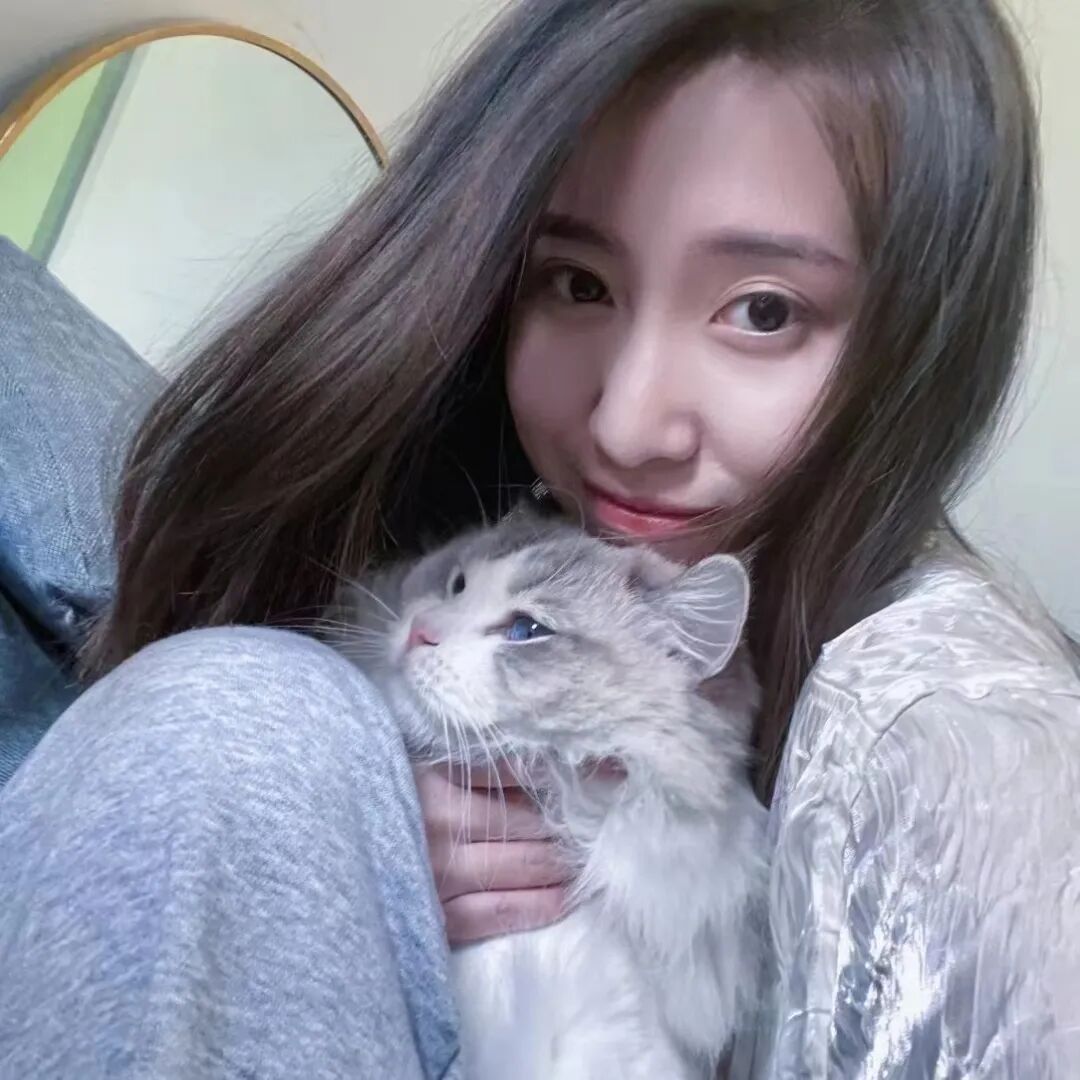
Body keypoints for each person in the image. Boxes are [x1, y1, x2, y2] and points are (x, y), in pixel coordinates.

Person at [2, 0, 1077, 1076]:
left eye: (763, 310)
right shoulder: (455, 497)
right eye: (578, 283)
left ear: (925, 346)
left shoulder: (950, 737)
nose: (625, 427)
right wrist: (343, 808)